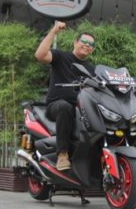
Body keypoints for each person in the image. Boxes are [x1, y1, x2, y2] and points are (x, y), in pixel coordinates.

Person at [35, 20, 96, 171]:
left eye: (91, 44)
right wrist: (53, 31)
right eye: (84, 41)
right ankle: (62, 154)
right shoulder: (61, 56)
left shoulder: (92, 69)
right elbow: (40, 55)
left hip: (81, 109)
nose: (87, 45)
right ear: (75, 42)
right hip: (56, 105)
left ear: (93, 49)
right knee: (65, 106)